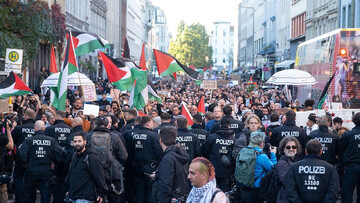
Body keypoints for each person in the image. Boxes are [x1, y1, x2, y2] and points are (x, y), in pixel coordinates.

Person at [18, 120, 63, 203]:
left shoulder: (29, 140)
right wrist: (54, 162)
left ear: (35, 129)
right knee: (45, 195)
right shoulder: (51, 141)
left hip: (31, 170)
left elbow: (21, 153)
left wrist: (24, 163)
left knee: (28, 194)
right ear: (44, 128)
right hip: (46, 171)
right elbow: (59, 155)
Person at [88, 116, 128, 202]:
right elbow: (123, 156)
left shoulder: (89, 136)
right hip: (112, 173)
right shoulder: (115, 137)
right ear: (108, 126)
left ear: (95, 125)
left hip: (93, 173)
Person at [65, 132, 107, 203]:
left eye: (79, 141)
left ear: (85, 142)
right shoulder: (74, 156)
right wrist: (68, 190)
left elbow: (99, 176)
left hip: (85, 197)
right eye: (75, 141)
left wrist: (101, 193)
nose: (77, 143)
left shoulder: (91, 157)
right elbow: (71, 175)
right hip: (73, 196)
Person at [129, 116, 163, 202]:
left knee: (139, 194)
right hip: (150, 169)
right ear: (148, 124)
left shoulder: (133, 135)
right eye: (152, 123)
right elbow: (159, 152)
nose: (153, 125)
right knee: (150, 194)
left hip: (136, 168)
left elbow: (129, 151)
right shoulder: (154, 136)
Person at [153, 127, 190, 202]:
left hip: (171, 197)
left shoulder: (168, 158)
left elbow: (165, 183)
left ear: (160, 140)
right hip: (180, 195)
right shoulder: (182, 153)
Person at [239, 131, 277, 203]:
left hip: (243, 185)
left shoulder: (242, 151)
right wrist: (273, 154)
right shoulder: (262, 156)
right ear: (261, 143)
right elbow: (273, 168)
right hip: (257, 187)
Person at [45, 110, 73, 203]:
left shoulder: (49, 129)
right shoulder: (70, 130)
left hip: (52, 162)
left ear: (56, 117)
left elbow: (46, 146)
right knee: (62, 182)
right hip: (65, 161)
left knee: (50, 183)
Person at [203, 118, 236, 191]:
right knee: (223, 191)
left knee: (211, 191)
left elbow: (205, 151)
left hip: (213, 168)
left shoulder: (212, 137)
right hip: (226, 170)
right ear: (229, 126)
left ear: (220, 126)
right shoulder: (233, 139)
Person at [11, 108, 36, 202]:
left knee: (18, 179)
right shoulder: (37, 128)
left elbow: (11, 142)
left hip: (20, 159)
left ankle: (19, 199)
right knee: (31, 181)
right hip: (34, 159)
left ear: (26, 116)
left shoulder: (19, 128)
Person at [338, 112, 360, 202]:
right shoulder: (348, 134)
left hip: (351, 166)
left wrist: (341, 165)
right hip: (352, 164)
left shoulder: (348, 135)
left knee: (347, 191)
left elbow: (340, 150)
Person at [275, 137, 302, 203]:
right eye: (288, 147)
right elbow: (286, 181)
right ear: (283, 149)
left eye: (294, 147)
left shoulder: (294, 161)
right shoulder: (282, 163)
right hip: (285, 198)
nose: (291, 149)